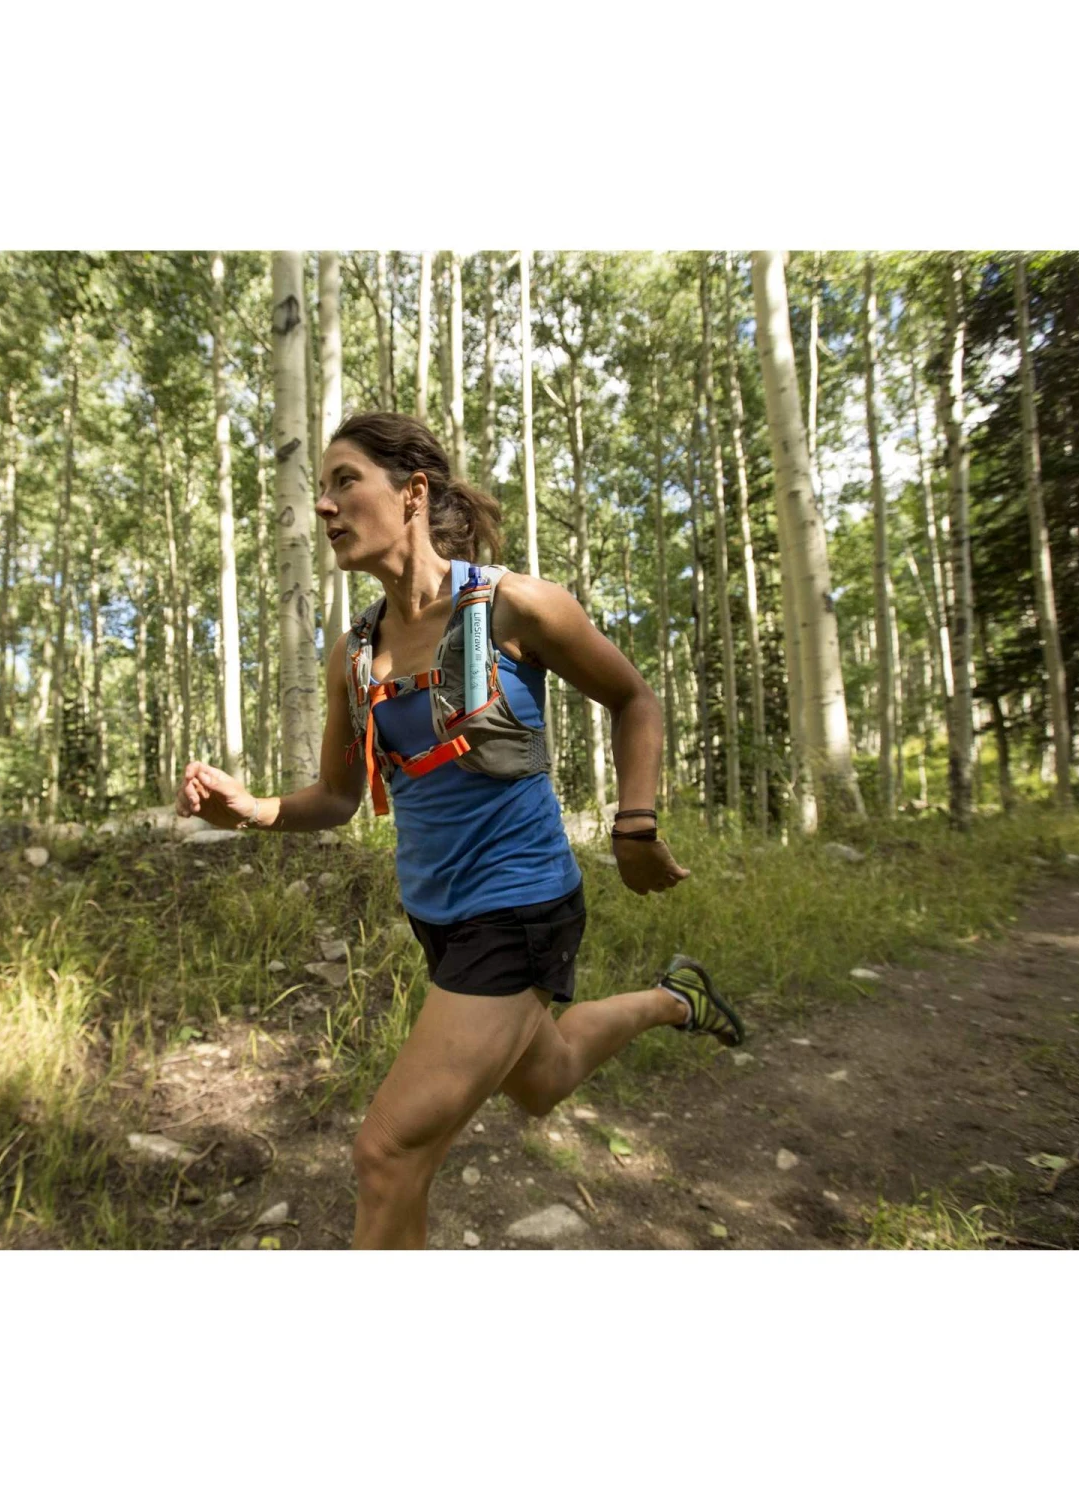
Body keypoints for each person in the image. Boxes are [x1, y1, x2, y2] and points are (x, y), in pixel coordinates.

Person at [176, 412, 743, 1249]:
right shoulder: (353, 655)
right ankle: (675, 999)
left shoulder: (514, 606)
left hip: (519, 906)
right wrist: (253, 809)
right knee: (544, 1079)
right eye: (320, 490)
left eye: (344, 481)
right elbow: (337, 797)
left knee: (387, 1155)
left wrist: (634, 824)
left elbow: (635, 700)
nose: (324, 506)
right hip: (436, 916)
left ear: (412, 493)